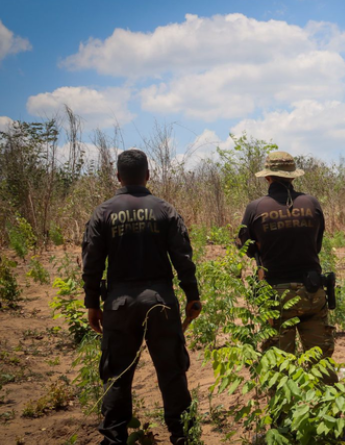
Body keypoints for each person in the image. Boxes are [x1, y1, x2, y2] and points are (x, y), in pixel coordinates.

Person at [82, 149, 202, 445]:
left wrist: (91, 304)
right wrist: (192, 296)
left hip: (119, 304)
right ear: (148, 175)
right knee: (172, 372)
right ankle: (182, 436)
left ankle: (114, 439)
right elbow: (183, 257)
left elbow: (92, 263)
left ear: (119, 177)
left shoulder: (103, 212)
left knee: (117, 374)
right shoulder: (164, 210)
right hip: (160, 301)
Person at [236, 151, 336, 382]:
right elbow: (317, 244)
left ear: (267, 178)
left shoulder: (255, 208)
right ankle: (329, 411)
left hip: (276, 295)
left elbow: (246, 248)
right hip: (312, 291)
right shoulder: (311, 203)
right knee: (320, 361)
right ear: (292, 177)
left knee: (280, 364)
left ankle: (284, 416)